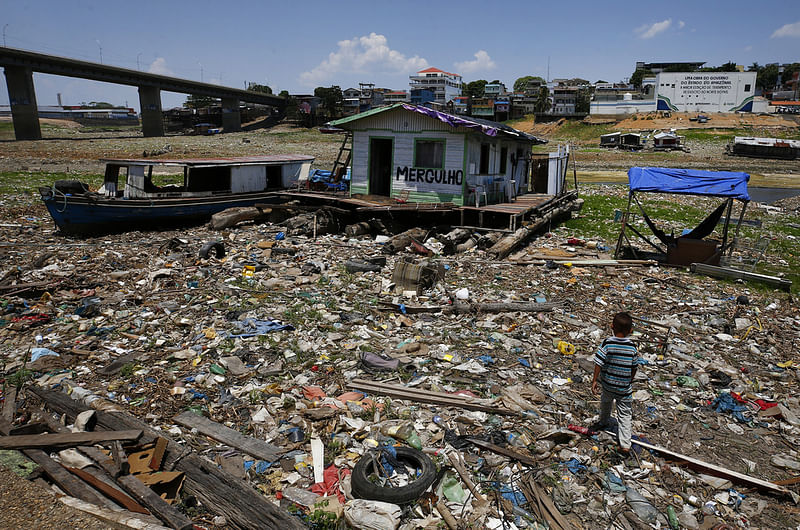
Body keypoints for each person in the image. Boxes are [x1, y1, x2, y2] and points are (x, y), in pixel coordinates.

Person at [591, 311, 639, 453]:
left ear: (612, 326)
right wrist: (629, 380)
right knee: (624, 415)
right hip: (624, 388)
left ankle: (603, 422)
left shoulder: (607, 343)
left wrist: (594, 380)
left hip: (608, 384)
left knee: (606, 402)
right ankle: (625, 444)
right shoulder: (632, 347)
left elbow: (598, 363)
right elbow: (634, 367)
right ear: (631, 331)